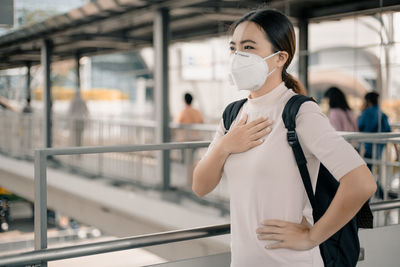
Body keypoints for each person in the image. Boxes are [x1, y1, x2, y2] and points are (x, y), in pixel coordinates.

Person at [192, 9, 376, 267]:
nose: (237, 56)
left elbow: (362, 183)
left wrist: (312, 237)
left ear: (280, 57)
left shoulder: (300, 113)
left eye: (249, 47)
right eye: (233, 47)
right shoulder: (233, 114)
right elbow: (200, 186)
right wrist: (225, 146)